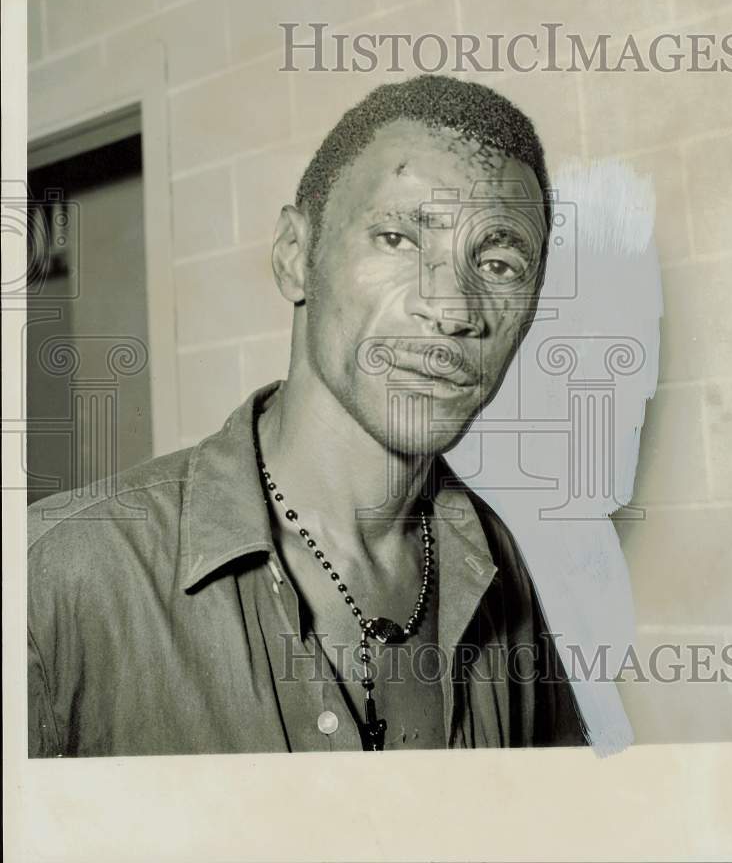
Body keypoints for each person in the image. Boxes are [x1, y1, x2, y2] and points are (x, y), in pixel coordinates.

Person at [28, 74, 587, 756]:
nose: (454, 309)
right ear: (295, 256)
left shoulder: (497, 563)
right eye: (399, 238)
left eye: (499, 263)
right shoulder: (56, 576)